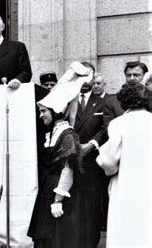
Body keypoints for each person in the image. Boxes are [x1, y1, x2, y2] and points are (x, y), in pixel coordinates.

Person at [28, 68, 89, 247]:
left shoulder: (68, 134)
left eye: (43, 112)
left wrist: (58, 200)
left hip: (60, 194)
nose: (41, 116)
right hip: (48, 189)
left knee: (59, 238)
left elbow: (68, 168)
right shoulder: (54, 132)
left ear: (54, 112)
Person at [96, 81, 151, 247]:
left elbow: (109, 160)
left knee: (125, 227)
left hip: (126, 183)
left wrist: (101, 160)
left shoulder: (118, 123)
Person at [73, 62, 108, 246]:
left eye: (89, 76)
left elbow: (105, 127)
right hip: (70, 159)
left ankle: (91, 241)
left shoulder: (104, 100)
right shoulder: (70, 98)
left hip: (91, 161)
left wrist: (92, 144)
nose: (87, 81)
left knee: (92, 204)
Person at [103, 61, 148, 129]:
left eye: (136, 75)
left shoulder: (150, 98)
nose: (132, 78)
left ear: (145, 76)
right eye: (128, 75)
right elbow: (108, 129)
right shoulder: (112, 102)